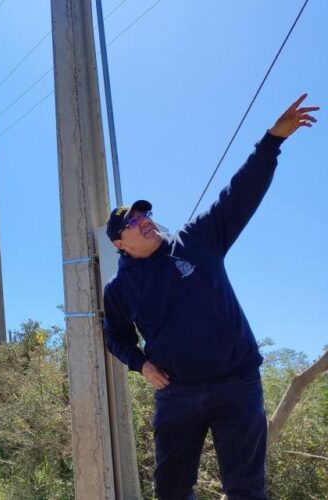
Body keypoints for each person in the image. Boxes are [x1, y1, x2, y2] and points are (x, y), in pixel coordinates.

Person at [103, 94, 318, 499]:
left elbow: (239, 194)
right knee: (171, 491)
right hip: (177, 394)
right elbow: (114, 335)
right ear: (120, 244)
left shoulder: (197, 240)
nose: (144, 220)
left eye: (144, 214)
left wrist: (272, 141)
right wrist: (141, 364)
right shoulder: (119, 290)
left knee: (246, 490)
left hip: (237, 384)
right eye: (132, 221)